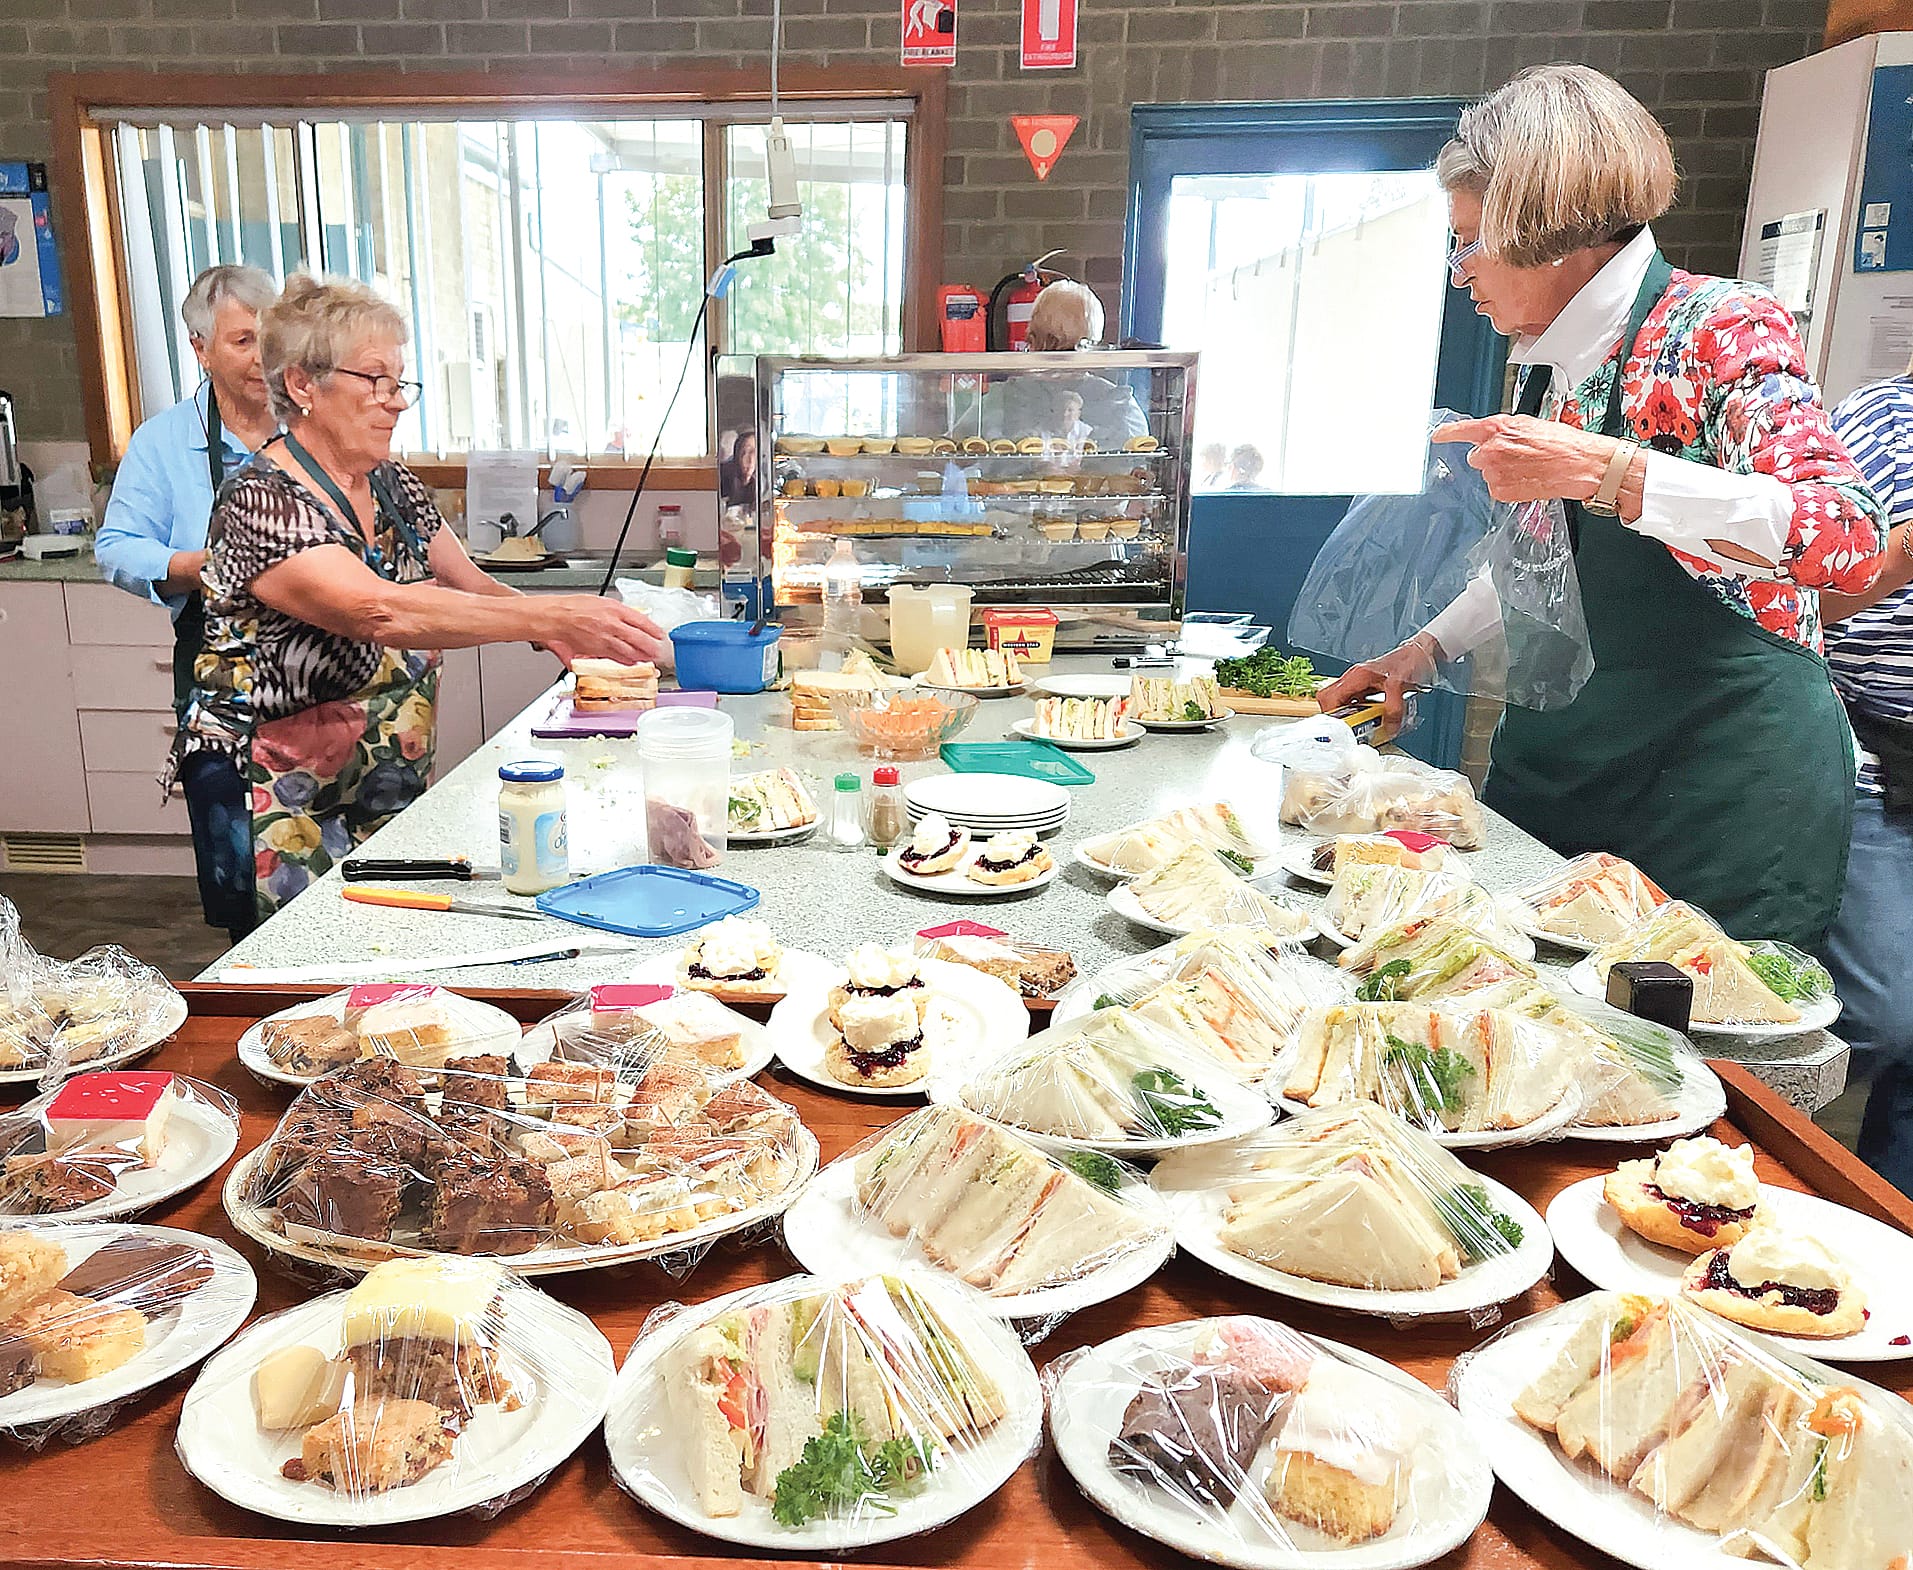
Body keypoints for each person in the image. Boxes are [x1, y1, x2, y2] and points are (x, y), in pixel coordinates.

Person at [1318, 65, 1885, 949]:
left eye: (1468, 243)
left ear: (1543, 231)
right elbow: (1538, 556)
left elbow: (1844, 539)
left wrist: (1612, 470)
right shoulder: (1552, 366)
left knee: (1686, 1058)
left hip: (1717, 781)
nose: (1460, 275)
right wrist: (1421, 652)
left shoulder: (1720, 326)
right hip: (1574, 755)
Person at [171, 273, 667, 920]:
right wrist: (554, 610)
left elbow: (473, 584)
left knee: (391, 940)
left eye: (399, 380)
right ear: (301, 385)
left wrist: (570, 642)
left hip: (381, 764)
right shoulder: (258, 502)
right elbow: (378, 609)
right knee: (301, 973)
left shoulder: (391, 483)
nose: (396, 401)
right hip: (271, 783)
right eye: (374, 379)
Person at [96, 264, 281, 943]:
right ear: (200, 349)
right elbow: (114, 547)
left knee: (322, 856)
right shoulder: (164, 442)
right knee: (234, 854)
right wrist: (194, 567)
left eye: (271, 336)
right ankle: (250, 984)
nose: (262, 356)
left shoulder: (316, 426)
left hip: (321, 672)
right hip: (215, 677)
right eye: (241, 341)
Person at [1820, 370, 1913, 1194]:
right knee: (1882, 1016)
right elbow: (1796, 601)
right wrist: (1898, 556)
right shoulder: (1879, 422)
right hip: (1876, 754)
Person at [986, 280, 1148, 446]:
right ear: (1093, 344)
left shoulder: (1000, 399)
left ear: (1031, 339)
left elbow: (962, 454)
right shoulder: (1120, 404)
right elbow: (1139, 461)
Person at [719, 427, 759, 512]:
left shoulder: (764, 481)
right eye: (746, 451)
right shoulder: (722, 476)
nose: (750, 459)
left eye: (755, 452)